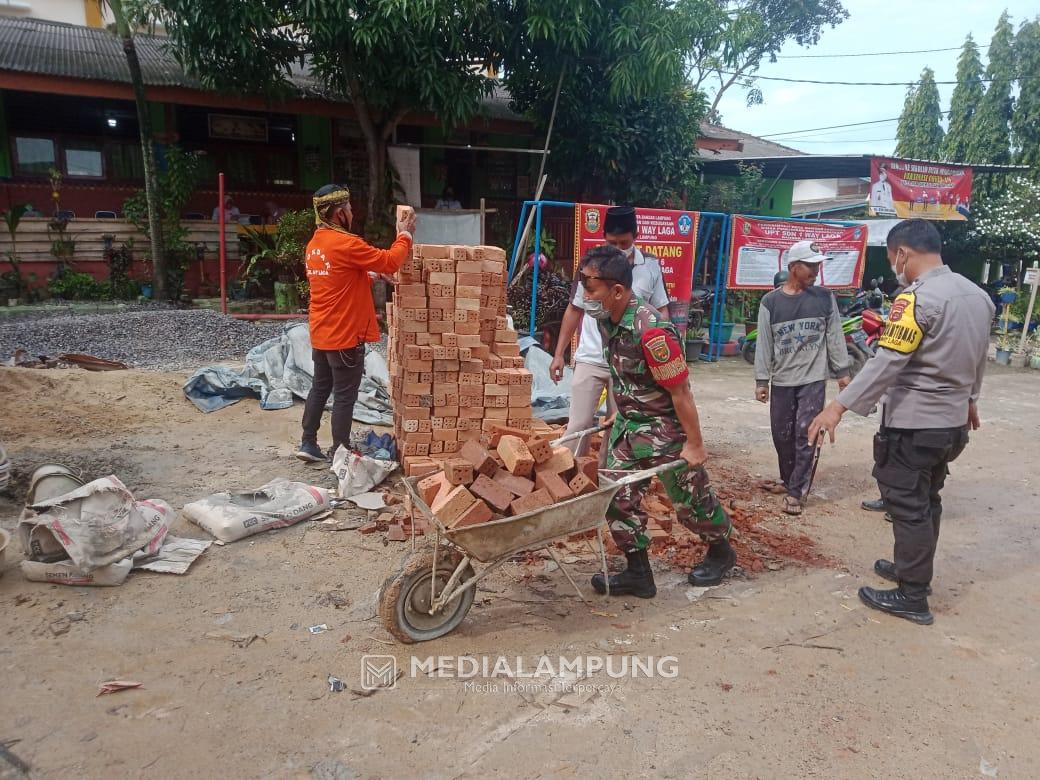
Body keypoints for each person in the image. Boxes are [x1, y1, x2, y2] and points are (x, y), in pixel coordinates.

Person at [808, 219, 994, 625]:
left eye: (894, 257)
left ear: (902, 254)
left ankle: (912, 595)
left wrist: (837, 406)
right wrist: (971, 400)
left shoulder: (915, 300)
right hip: (951, 426)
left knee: (907, 505)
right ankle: (912, 569)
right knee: (928, 500)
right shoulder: (978, 296)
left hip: (915, 425)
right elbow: (980, 355)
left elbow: (888, 360)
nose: (895, 264)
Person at [578, 245, 735, 598]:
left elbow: (681, 393)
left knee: (690, 499)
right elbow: (623, 375)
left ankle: (722, 552)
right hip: (630, 427)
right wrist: (618, 410)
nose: (584, 294)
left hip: (665, 429)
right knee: (616, 496)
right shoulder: (606, 320)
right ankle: (639, 574)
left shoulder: (652, 331)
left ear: (617, 290)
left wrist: (695, 444)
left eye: (590, 287)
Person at [295, 184, 416, 462]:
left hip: (322, 332)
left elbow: (337, 279)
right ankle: (340, 451)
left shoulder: (315, 245)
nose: (352, 212)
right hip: (345, 334)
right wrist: (404, 234)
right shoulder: (347, 243)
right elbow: (390, 260)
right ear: (339, 213)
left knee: (320, 387)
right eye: (349, 208)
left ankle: (308, 442)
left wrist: (369, 276)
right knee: (345, 395)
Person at [549, 206, 669, 461]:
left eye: (624, 243)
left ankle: (605, 479)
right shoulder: (590, 267)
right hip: (591, 358)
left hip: (628, 363)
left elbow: (662, 312)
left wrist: (658, 357)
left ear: (635, 236)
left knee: (617, 428)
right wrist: (558, 354)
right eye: (612, 242)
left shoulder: (650, 267)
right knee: (578, 425)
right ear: (604, 238)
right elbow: (574, 309)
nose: (618, 248)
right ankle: (565, 477)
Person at [754, 240, 851, 515]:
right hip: (783, 379)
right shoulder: (771, 302)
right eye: (810, 266)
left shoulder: (824, 298)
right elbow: (764, 344)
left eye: (818, 266)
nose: (816, 271)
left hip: (813, 379)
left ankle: (797, 491)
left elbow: (834, 337)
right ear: (794, 267)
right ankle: (788, 479)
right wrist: (762, 381)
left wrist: (842, 374)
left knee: (805, 434)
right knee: (781, 435)